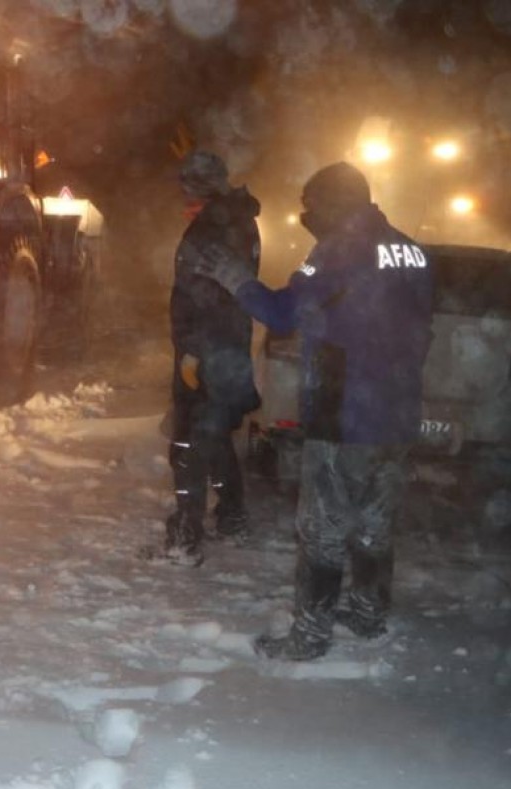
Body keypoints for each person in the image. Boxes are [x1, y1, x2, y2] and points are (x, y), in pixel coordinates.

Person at [197, 162, 434, 660]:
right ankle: (368, 615)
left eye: (312, 204)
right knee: (374, 523)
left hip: (344, 412)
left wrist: (236, 279)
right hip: (396, 412)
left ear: (334, 203)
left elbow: (283, 313)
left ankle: (309, 637)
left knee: (323, 531)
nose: (307, 214)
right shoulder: (411, 251)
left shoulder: (338, 251)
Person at [162, 150, 263, 566]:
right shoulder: (239, 220)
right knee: (215, 434)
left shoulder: (213, 229)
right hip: (228, 348)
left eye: (188, 184)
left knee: (188, 443)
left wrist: (192, 352)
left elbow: (203, 297)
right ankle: (232, 514)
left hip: (207, 351)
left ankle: (186, 534)